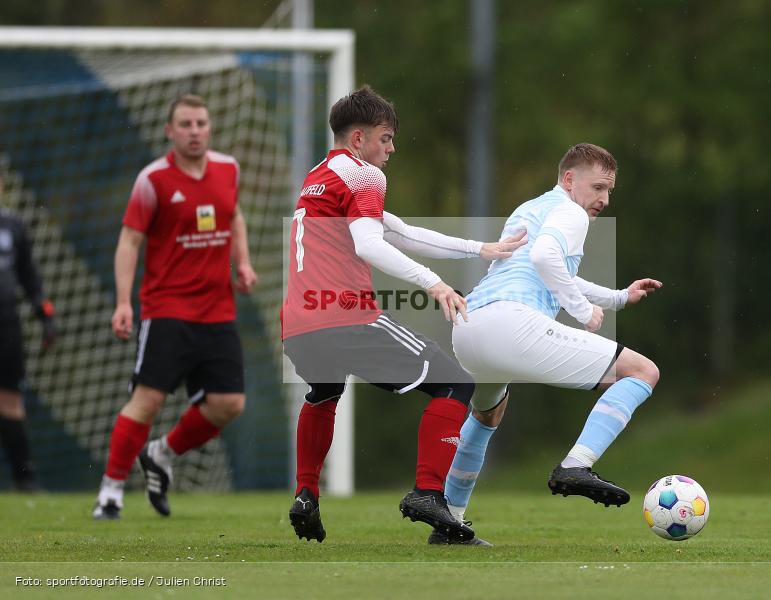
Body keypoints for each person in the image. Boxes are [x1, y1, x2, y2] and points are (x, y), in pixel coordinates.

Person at [281, 85, 525, 544]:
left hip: (298, 324)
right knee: (456, 384)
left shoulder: (320, 175)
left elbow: (401, 232)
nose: (391, 149)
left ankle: (306, 493)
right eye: (386, 138)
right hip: (344, 315)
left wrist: (479, 248)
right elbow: (370, 244)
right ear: (359, 139)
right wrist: (433, 283)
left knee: (324, 392)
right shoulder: (364, 175)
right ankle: (428, 493)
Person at [444, 143, 662, 542]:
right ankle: (576, 464)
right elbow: (545, 259)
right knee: (642, 371)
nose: (604, 199)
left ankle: (450, 522)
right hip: (510, 324)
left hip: (470, 326)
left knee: (487, 414)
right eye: (598, 187)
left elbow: (546, 267)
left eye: (609, 190)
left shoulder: (531, 208)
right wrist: (583, 312)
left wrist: (617, 298)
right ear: (569, 179)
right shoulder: (571, 213)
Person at [92, 94, 257, 520]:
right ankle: (110, 492)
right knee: (147, 400)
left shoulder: (228, 169)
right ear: (170, 131)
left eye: (201, 123)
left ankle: (161, 453)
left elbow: (234, 216)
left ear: (210, 127)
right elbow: (129, 241)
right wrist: (123, 302)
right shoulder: (153, 180)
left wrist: (242, 263)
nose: (195, 131)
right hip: (167, 310)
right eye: (185, 124)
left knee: (229, 403)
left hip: (218, 310)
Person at [0, 171, 56, 491]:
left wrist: (45, 317)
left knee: (10, 401)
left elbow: (30, 278)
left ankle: (25, 480)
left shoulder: (13, 226)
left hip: (6, 324)